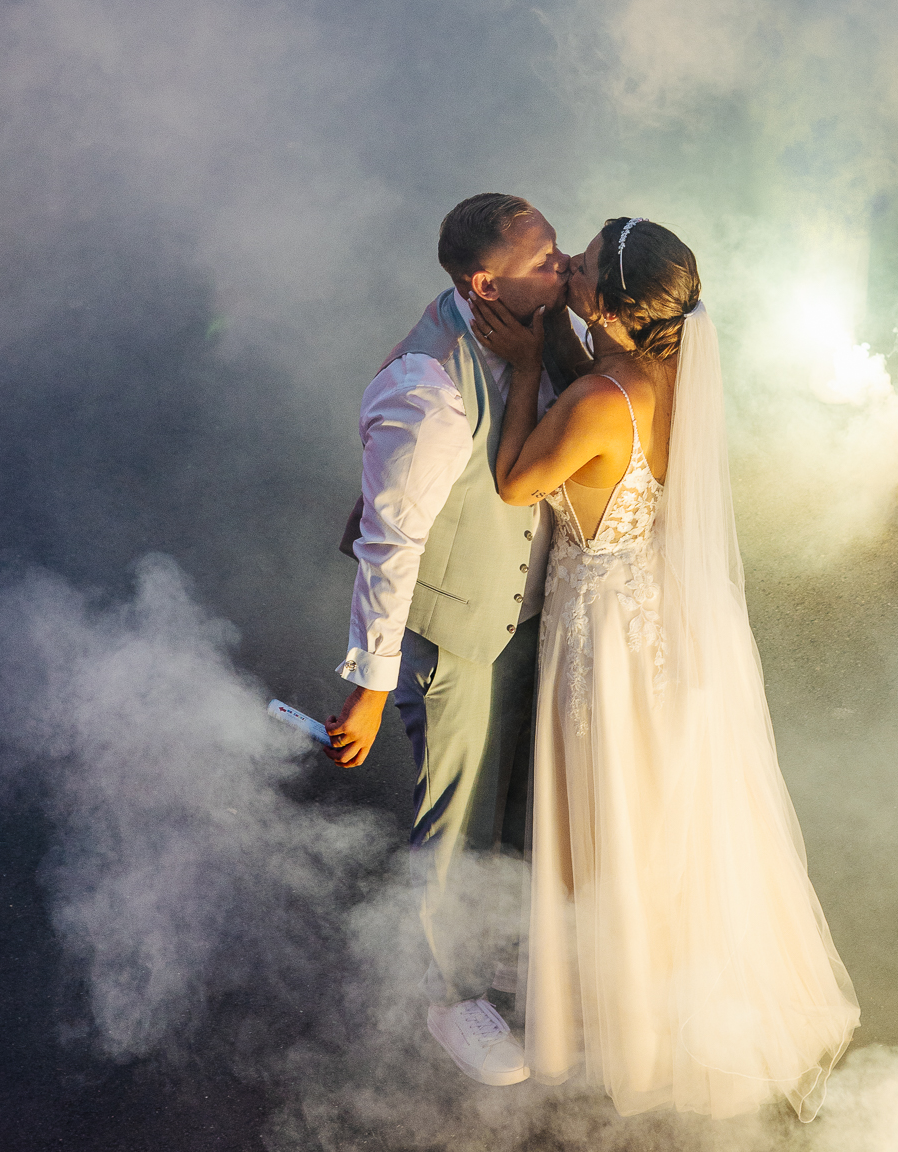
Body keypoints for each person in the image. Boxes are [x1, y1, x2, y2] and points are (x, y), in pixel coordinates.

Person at [490, 218, 861, 1120]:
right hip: (658, 618)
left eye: (579, 268)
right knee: (664, 819)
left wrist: (532, 364)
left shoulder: (587, 401)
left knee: (619, 812)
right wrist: (572, 347)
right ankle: (678, 1010)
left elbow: (515, 483)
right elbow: (608, 404)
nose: (566, 269)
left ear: (613, 310)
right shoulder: (668, 374)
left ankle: (634, 1033)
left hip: (608, 633)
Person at [323, 193, 567, 1087]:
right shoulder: (428, 388)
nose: (564, 265)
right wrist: (371, 684)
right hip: (452, 632)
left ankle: (513, 972)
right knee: (455, 822)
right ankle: (447, 996)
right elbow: (390, 546)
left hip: (518, 616)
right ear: (483, 282)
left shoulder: (522, 325)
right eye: (544, 259)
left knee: (515, 808)